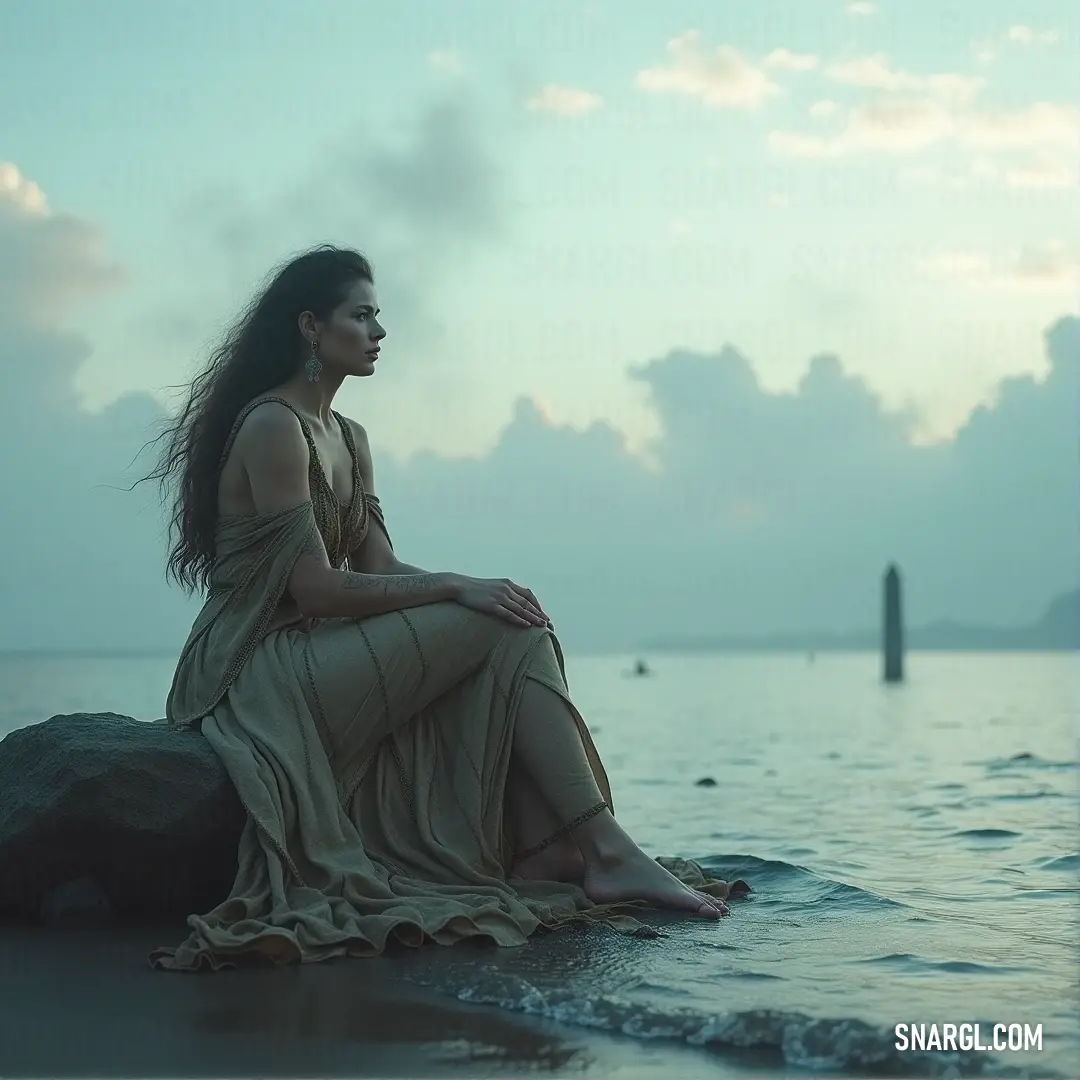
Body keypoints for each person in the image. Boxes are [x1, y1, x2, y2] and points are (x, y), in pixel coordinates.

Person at [143, 245, 745, 972]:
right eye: (360, 315)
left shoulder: (349, 437)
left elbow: (382, 569)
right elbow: (314, 589)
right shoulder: (274, 426)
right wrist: (461, 589)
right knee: (492, 613)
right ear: (310, 326)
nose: (378, 330)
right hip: (259, 669)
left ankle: (557, 847)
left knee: (516, 619)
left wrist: (477, 588)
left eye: (377, 315)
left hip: (323, 654)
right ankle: (604, 849)